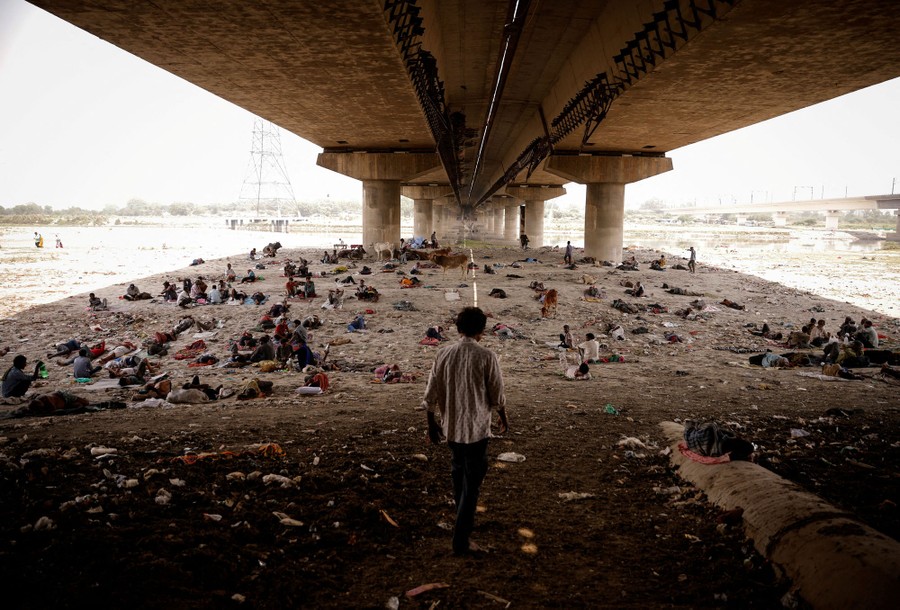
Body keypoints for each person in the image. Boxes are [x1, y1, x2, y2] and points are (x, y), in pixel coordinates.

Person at [423, 307, 508, 555]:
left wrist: (432, 423)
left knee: (459, 474)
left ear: (458, 328)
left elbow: (430, 394)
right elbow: (497, 394)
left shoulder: (443, 354)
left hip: (451, 428)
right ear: (482, 330)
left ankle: (462, 520)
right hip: (477, 429)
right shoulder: (486, 356)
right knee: (473, 482)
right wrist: (503, 417)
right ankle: (461, 539)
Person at [683, 420, 754, 460]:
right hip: (717, 445)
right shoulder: (696, 435)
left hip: (715, 444)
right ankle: (734, 457)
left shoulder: (690, 438)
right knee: (749, 447)